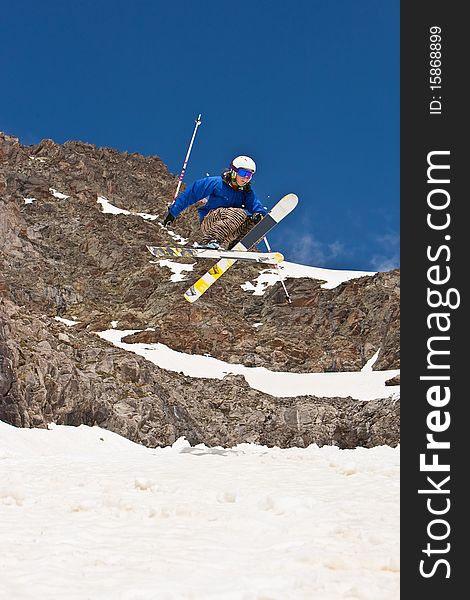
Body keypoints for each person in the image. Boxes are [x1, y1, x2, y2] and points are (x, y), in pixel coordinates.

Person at [162, 155, 268, 250]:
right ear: (234, 172)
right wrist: (173, 213)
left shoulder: (246, 192)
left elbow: (256, 206)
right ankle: (210, 240)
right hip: (211, 222)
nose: (246, 178)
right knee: (239, 213)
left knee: (260, 225)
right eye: (243, 173)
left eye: (249, 175)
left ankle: (237, 247)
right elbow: (192, 193)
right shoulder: (217, 183)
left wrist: (259, 215)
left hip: (231, 230)